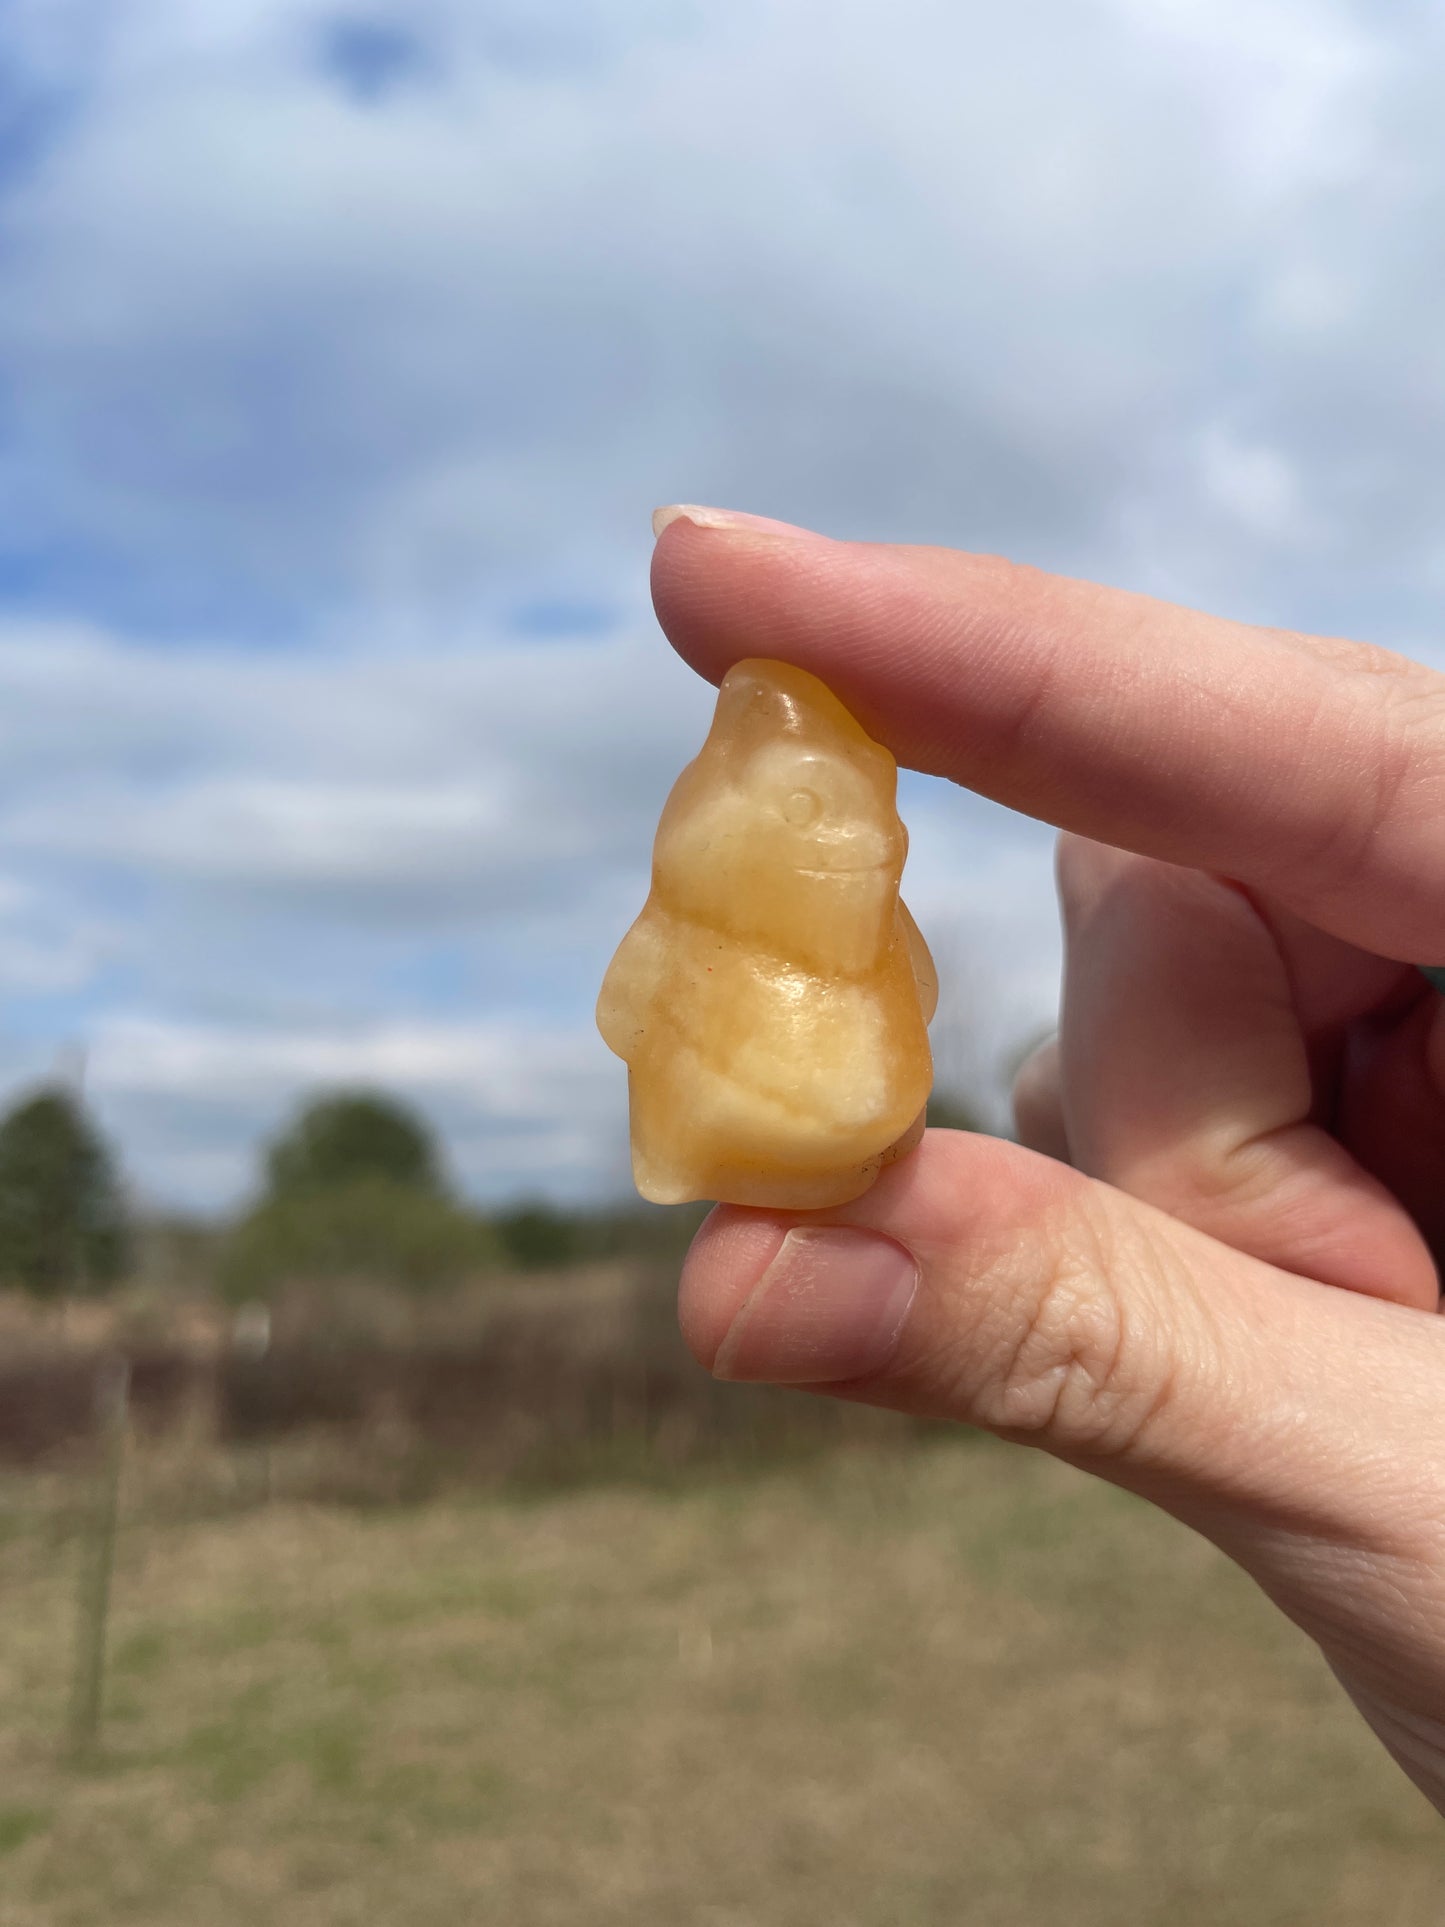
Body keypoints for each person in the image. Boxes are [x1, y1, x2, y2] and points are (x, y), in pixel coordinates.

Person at [649, 503, 1445, 1815]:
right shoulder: (703, 924)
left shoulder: (862, 927)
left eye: (860, 823)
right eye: (807, 814)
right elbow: (646, 993)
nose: (850, 840)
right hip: (744, 1071)